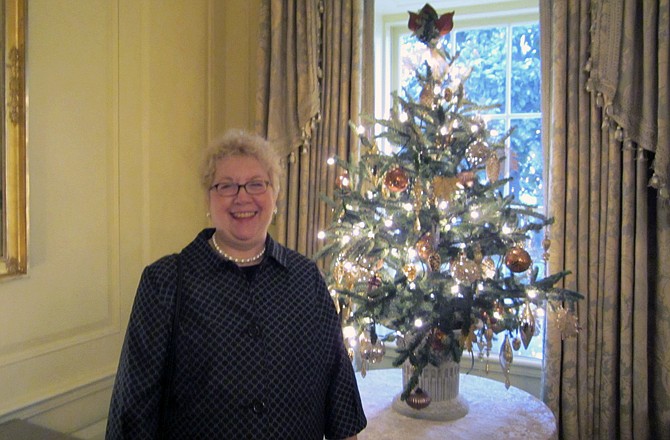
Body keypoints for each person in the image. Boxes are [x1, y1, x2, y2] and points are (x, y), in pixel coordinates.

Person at [106, 130, 367, 439]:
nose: (243, 197)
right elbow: (134, 407)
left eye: (257, 184)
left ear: (275, 194)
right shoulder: (165, 281)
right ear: (208, 198)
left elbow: (338, 389)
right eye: (226, 185)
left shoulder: (305, 277)